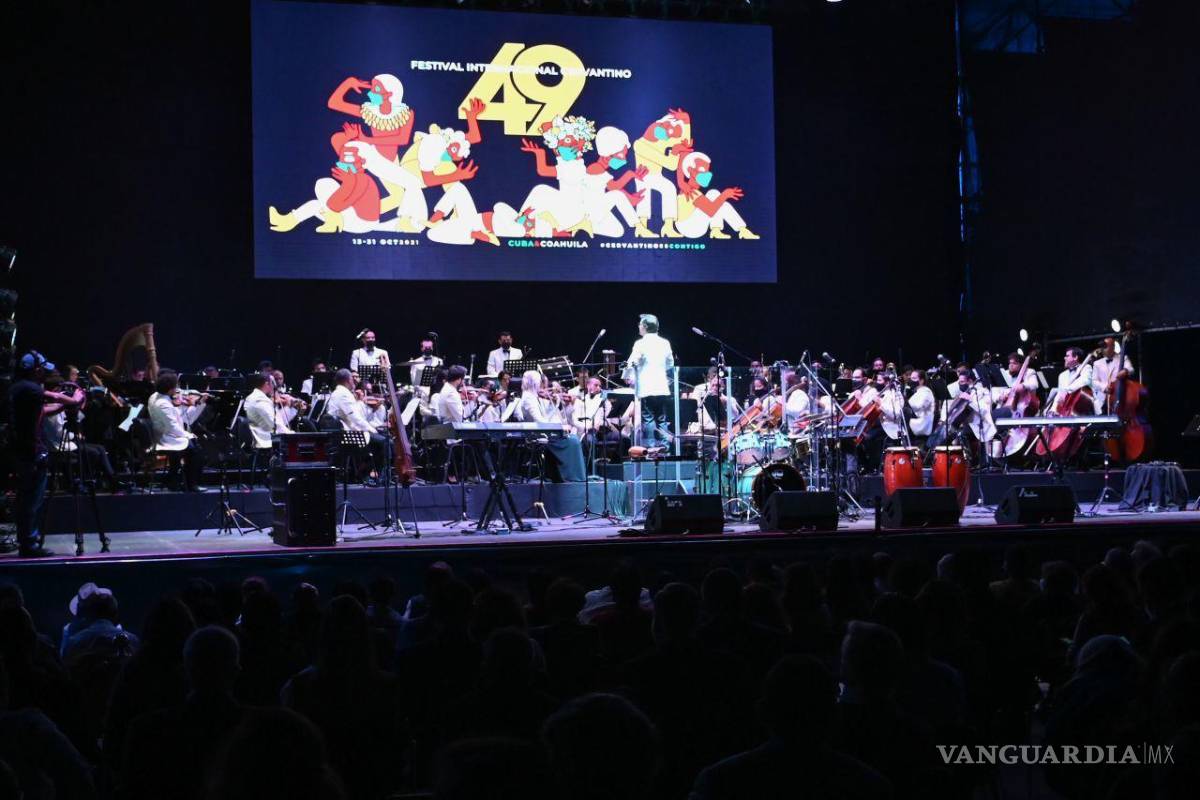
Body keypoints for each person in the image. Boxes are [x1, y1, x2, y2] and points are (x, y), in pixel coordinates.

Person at [8, 352, 83, 556]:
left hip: (23, 451)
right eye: (43, 370)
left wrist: (62, 406)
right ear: (36, 370)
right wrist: (75, 398)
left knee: (28, 499)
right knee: (31, 501)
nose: (45, 374)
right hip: (30, 452)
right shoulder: (30, 388)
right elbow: (56, 397)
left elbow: (43, 411)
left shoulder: (18, 387)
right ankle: (29, 545)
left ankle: (28, 541)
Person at [515, 370, 585, 482]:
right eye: (538, 382)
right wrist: (558, 425)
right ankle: (569, 475)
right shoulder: (528, 398)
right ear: (534, 382)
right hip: (537, 434)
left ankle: (564, 475)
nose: (540, 385)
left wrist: (555, 405)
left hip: (542, 431)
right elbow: (540, 421)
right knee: (573, 441)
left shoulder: (532, 396)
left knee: (573, 439)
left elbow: (545, 418)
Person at [147, 370, 207, 492]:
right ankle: (191, 484)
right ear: (170, 389)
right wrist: (188, 434)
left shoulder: (154, 397)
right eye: (176, 387)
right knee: (196, 451)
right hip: (167, 437)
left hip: (165, 433)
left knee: (193, 446)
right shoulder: (164, 404)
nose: (177, 390)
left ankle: (174, 480)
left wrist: (187, 406)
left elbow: (177, 419)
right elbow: (173, 427)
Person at [326, 368, 388, 484]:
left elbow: (356, 416)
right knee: (384, 442)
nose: (354, 382)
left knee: (379, 440)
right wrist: (371, 429)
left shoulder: (339, 392)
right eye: (352, 379)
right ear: (348, 380)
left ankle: (362, 474)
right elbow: (355, 418)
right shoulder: (343, 394)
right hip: (346, 435)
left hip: (346, 431)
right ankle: (375, 477)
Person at [622, 314, 674, 446]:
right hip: (662, 388)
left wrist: (626, 375)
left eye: (640, 324)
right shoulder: (665, 342)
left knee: (648, 419)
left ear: (645, 326)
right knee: (662, 419)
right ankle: (665, 447)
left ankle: (651, 448)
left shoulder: (640, 343)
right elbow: (670, 364)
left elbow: (632, 362)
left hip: (647, 388)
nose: (638, 326)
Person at [1091, 336, 1134, 413]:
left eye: (1106, 347)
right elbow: (1094, 381)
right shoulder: (1097, 363)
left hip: (1119, 396)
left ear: (1113, 347)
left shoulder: (1123, 358)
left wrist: (1125, 371)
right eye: (1102, 347)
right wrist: (1104, 387)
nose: (1103, 349)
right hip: (1102, 399)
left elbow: (1131, 369)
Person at [1048, 346, 1096, 414]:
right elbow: (1060, 395)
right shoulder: (1062, 375)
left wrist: (1067, 389)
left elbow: (1085, 381)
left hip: (1085, 409)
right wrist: (1053, 409)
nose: (1064, 358)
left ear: (1075, 357)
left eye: (1067, 356)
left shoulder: (1086, 368)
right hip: (1066, 409)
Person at [243, 372, 280, 454]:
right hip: (265, 438)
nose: (274, 387)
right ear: (267, 384)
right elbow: (274, 424)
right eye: (272, 384)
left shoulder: (253, 396)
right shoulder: (260, 399)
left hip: (261, 433)